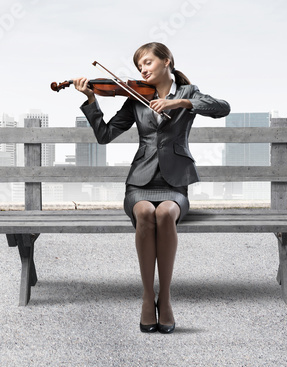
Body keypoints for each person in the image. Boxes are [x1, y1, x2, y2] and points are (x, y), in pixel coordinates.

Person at [71, 43, 230, 334]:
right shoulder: (135, 97)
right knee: (145, 213)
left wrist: (178, 103)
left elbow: (222, 108)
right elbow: (105, 135)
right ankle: (147, 297)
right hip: (140, 182)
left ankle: (165, 297)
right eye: (139, 66)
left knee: (166, 214)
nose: (143, 70)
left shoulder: (188, 93)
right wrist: (91, 100)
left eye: (147, 62)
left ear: (166, 60)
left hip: (175, 183)